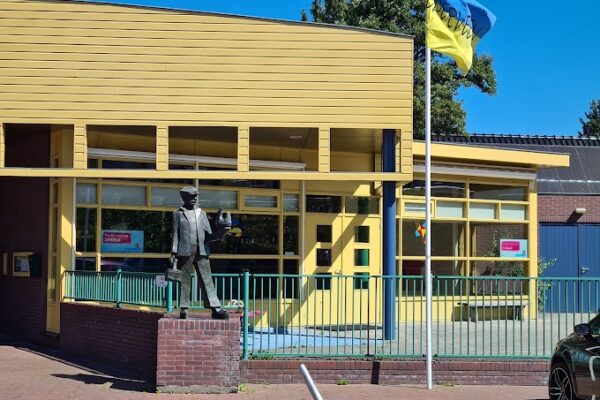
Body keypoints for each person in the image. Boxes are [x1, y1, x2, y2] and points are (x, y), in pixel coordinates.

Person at [169, 186, 229, 319]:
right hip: (185, 250)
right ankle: (184, 308)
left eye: (196, 196)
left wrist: (221, 233)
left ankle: (215, 307)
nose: (195, 198)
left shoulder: (202, 213)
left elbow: (208, 236)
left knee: (207, 279)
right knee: (185, 279)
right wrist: (173, 252)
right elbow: (175, 234)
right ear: (184, 197)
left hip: (202, 250)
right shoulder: (177, 214)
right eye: (191, 196)